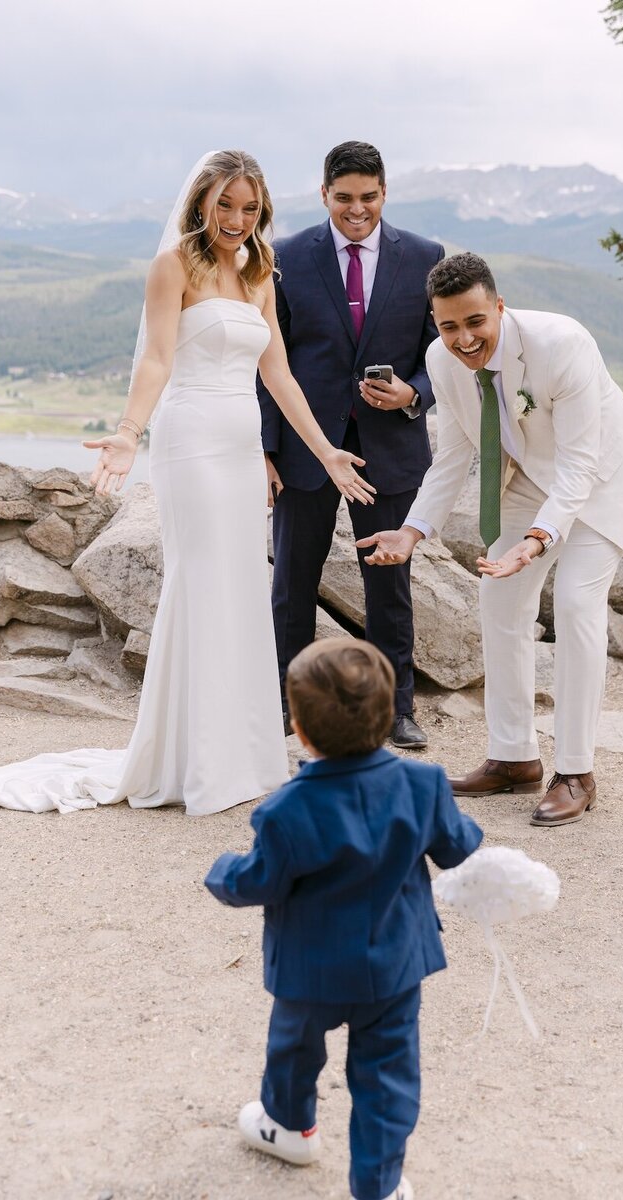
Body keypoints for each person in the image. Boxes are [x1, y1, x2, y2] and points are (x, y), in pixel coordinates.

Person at [0, 150, 375, 816]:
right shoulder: (174, 265)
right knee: (202, 584)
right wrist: (128, 432)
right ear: (202, 202)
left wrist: (325, 452)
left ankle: (242, 755)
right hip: (190, 441)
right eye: (225, 205)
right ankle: (194, 759)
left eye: (250, 207)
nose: (237, 218)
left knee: (242, 586)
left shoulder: (260, 269)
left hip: (240, 448)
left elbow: (277, 373)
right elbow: (156, 358)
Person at [357, 252, 623, 826]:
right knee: (498, 600)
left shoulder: (562, 343)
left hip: (603, 480)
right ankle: (514, 757)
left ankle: (575, 771)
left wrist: (539, 538)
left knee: (575, 604)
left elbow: (579, 463)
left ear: (499, 307)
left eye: (476, 321)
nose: (464, 339)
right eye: (449, 326)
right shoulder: (441, 360)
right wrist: (412, 530)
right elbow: (453, 455)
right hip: (527, 477)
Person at [204, 638, 482, 1200]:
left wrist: (221, 872)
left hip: (310, 971)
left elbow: (260, 882)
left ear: (300, 731)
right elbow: (461, 849)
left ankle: (289, 1127)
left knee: (293, 1049)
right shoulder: (424, 785)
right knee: (387, 1076)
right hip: (395, 966)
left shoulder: (285, 810)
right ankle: (377, 1185)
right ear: (388, 714)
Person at [258, 141, 444, 750]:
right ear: (323, 195)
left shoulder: (425, 257)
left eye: (368, 197)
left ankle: (396, 710)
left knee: (389, 586)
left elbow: (440, 355)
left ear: (384, 192)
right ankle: (288, 704)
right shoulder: (285, 257)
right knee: (292, 582)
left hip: (390, 448)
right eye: (344, 198)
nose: (356, 209)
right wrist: (266, 449)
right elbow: (267, 361)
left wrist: (412, 394)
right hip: (306, 449)